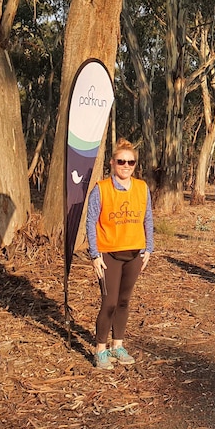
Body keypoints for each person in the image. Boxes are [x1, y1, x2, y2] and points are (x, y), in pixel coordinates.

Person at [86, 139, 154, 370]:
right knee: (109, 302)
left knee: (124, 301)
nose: (126, 165)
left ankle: (118, 345)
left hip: (135, 254)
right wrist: (94, 254)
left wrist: (148, 249)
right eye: (121, 161)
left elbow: (148, 219)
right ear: (112, 163)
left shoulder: (142, 188)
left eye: (131, 162)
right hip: (108, 255)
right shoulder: (101, 188)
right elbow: (91, 221)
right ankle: (100, 350)